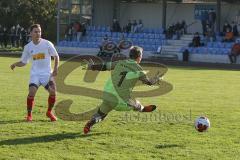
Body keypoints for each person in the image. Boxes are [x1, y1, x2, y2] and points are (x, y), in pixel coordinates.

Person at [83, 46, 163, 134]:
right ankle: (142, 108)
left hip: (107, 95)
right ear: (139, 57)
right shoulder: (139, 70)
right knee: (136, 103)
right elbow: (149, 82)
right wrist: (157, 79)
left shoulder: (119, 62)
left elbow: (104, 66)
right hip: (120, 101)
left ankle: (90, 123)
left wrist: (92, 66)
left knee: (100, 114)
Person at [10, 24, 59, 122]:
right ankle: (29, 115)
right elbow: (24, 62)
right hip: (35, 74)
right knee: (32, 92)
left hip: (46, 74)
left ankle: (49, 112)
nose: (38, 33)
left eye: (39, 31)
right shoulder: (28, 47)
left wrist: (55, 69)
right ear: (30, 33)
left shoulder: (47, 43)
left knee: (53, 92)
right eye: (36, 31)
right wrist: (15, 64)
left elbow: (56, 56)